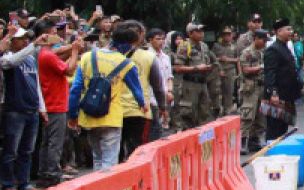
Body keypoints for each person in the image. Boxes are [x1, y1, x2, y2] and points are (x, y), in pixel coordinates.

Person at [68, 37, 147, 172]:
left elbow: (75, 89)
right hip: (111, 118)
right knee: (109, 161)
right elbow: (136, 88)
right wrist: (142, 104)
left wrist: (73, 114)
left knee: (97, 158)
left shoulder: (87, 57)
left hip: (89, 116)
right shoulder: (125, 63)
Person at [1, 27, 51, 190]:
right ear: (12, 41)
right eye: (21, 39)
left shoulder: (30, 60)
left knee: (26, 150)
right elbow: (11, 62)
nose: (25, 41)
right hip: (15, 110)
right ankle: (8, 185)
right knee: (11, 151)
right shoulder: (7, 57)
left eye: (26, 38)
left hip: (31, 110)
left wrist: (42, 107)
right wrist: (34, 45)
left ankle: (24, 183)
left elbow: (35, 84)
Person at [35, 19, 81, 185]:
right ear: (46, 36)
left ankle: (45, 172)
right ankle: (52, 173)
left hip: (51, 102)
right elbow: (69, 70)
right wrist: (75, 51)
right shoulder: (47, 55)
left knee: (48, 142)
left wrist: (71, 49)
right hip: (55, 102)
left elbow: (60, 56)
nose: (57, 36)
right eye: (54, 33)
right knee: (55, 141)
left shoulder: (45, 54)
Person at [115, 21, 162, 160]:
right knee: (137, 152)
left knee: (114, 153)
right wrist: (163, 106)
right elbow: (158, 86)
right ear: (140, 35)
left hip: (113, 111)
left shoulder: (106, 54)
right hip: (140, 111)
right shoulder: (149, 57)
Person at [263, 19, 303, 141]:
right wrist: (273, 93)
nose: (291, 32)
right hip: (277, 98)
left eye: (291, 29)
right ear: (279, 31)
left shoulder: (285, 47)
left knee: (282, 130)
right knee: (274, 131)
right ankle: (272, 156)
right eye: (288, 29)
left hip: (286, 96)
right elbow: (270, 73)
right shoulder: (273, 50)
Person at [173, 23, 214, 129]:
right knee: (188, 115)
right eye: (198, 31)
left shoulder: (204, 46)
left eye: (202, 31)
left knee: (205, 113)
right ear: (190, 34)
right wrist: (197, 68)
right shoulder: (185, 46)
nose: (201, 34)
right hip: (190, 84)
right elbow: (178, 68)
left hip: (203, 83)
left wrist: (208, 67)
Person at [238, 29, 268, 152]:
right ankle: (243, 142)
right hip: (250, 88)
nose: (265, 43)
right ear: (256, 39)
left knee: (261, 116)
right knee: (248, 115)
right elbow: (245, 70)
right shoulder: (247, 52)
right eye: (263, 40)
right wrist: (260, 68)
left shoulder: (263, 52)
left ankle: (254, 140)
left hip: (261, 86)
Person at [212, 26, 239, 116]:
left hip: (230, 71)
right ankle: (216, 109)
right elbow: (211, 58)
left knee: (229, 92)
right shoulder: (216, 46)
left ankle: (227, 110)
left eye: (229, 34)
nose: (227, 36)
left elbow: (238, 60)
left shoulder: (234, 47)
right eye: (225, 35)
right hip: (218, 71)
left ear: (231, 35)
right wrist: (220, 58)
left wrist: (228, 59)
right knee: (216, 91)